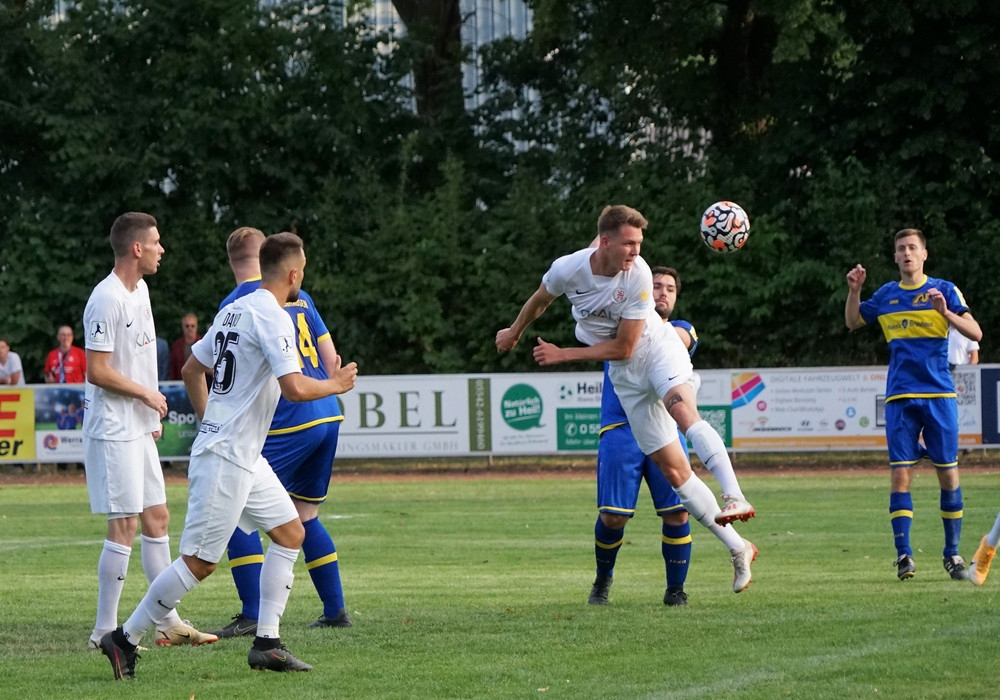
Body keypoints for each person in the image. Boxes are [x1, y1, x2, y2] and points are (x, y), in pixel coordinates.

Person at [99, 232, 358, 679]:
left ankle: (267, 644)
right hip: (226, 457)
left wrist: (211, 422)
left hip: (242, 453)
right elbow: (294, 388)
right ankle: (124, 639)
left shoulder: (235, 308)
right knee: (200, 563)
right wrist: (335, 385)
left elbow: (191, 369)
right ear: (293, 274)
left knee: (290, 533)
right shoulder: (274, 316)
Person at [496, 205, 757, 594]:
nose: (636, 251)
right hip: (627, 379)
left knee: (681, 409)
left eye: (639, 243)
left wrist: (563, 354)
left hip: (656, 351)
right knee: (675, 474)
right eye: (629, 243)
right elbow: (541, 299)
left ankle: (734, 495)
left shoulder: (639, 275)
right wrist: (515, 331)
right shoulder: (568, 268)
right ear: (604, 242)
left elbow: (625, 347)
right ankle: (739, 547)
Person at [206, 226, 353, 638]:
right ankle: (335, 611)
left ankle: (253, 613)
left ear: (232, 261)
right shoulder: (300, 296)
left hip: (290, 419)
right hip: (326, 415)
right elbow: (331, 359)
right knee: (305, 515)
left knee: (237, 514)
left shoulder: (238, 303)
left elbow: (223, 373)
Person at [83, 212, 215, 651]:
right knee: (123, 525)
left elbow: (138, 360)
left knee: (157, 519)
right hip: (113, 428)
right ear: (136, 248)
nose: (162, 249)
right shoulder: (106, 298)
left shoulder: (141, 290)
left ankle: (168, 622)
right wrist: (145, 396)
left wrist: (150, 413)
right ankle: (103, 632)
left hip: (137, 425)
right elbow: (97, 370)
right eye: (156, 242)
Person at [845, 228, 982, 581]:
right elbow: (853, 321)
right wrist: (854, 291)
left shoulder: (944, 290)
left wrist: (945, 313)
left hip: (939, 395)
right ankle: (904, 555)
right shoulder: (887, 295)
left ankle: (952, 554)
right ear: (895, 257)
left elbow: (976, 333)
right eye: (901, 249)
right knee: (900, 473)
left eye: (912, 248)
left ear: (924, 254)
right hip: (900, 397)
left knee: (948, 473)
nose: (906, 253)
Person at [590, 266, 717, 607]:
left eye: (670, 289)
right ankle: (603, 578)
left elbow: (682, 338)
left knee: (678, 513)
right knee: (613, 516)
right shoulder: (618, 325)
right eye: (656, 285)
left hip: (665, 431)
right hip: (620, 428)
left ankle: (675, 590)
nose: (663, 292)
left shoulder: (681, 329)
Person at [167, 313, 201, 380]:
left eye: (192, 326)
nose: (190, 328)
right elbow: (173, 368)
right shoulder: (177, 345)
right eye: (187, 326)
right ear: (183, 327)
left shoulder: (202, 344)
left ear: (197, 326)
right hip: (180, 382)